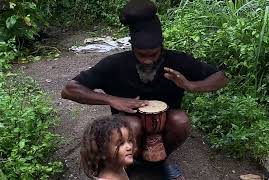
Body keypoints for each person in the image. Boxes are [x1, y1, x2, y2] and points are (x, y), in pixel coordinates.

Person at [61, 0, 228, 179]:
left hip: (166, 124)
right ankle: (132, 163)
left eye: (153, 55)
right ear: (132, 48)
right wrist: (111, 99)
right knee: (132, 124)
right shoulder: (114, 64)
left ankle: (160, 161)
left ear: (161, 47)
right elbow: (69, 90)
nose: (147, 60)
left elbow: (222, 77)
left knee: (181, 120)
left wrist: (191, 85)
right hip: (128, 129)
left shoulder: (178, 61)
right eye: (141, 55)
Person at [80, 115, 134, 180]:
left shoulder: (119, 167)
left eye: (129, 140)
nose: (129, 147)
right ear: (103, 152)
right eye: (121, 144)